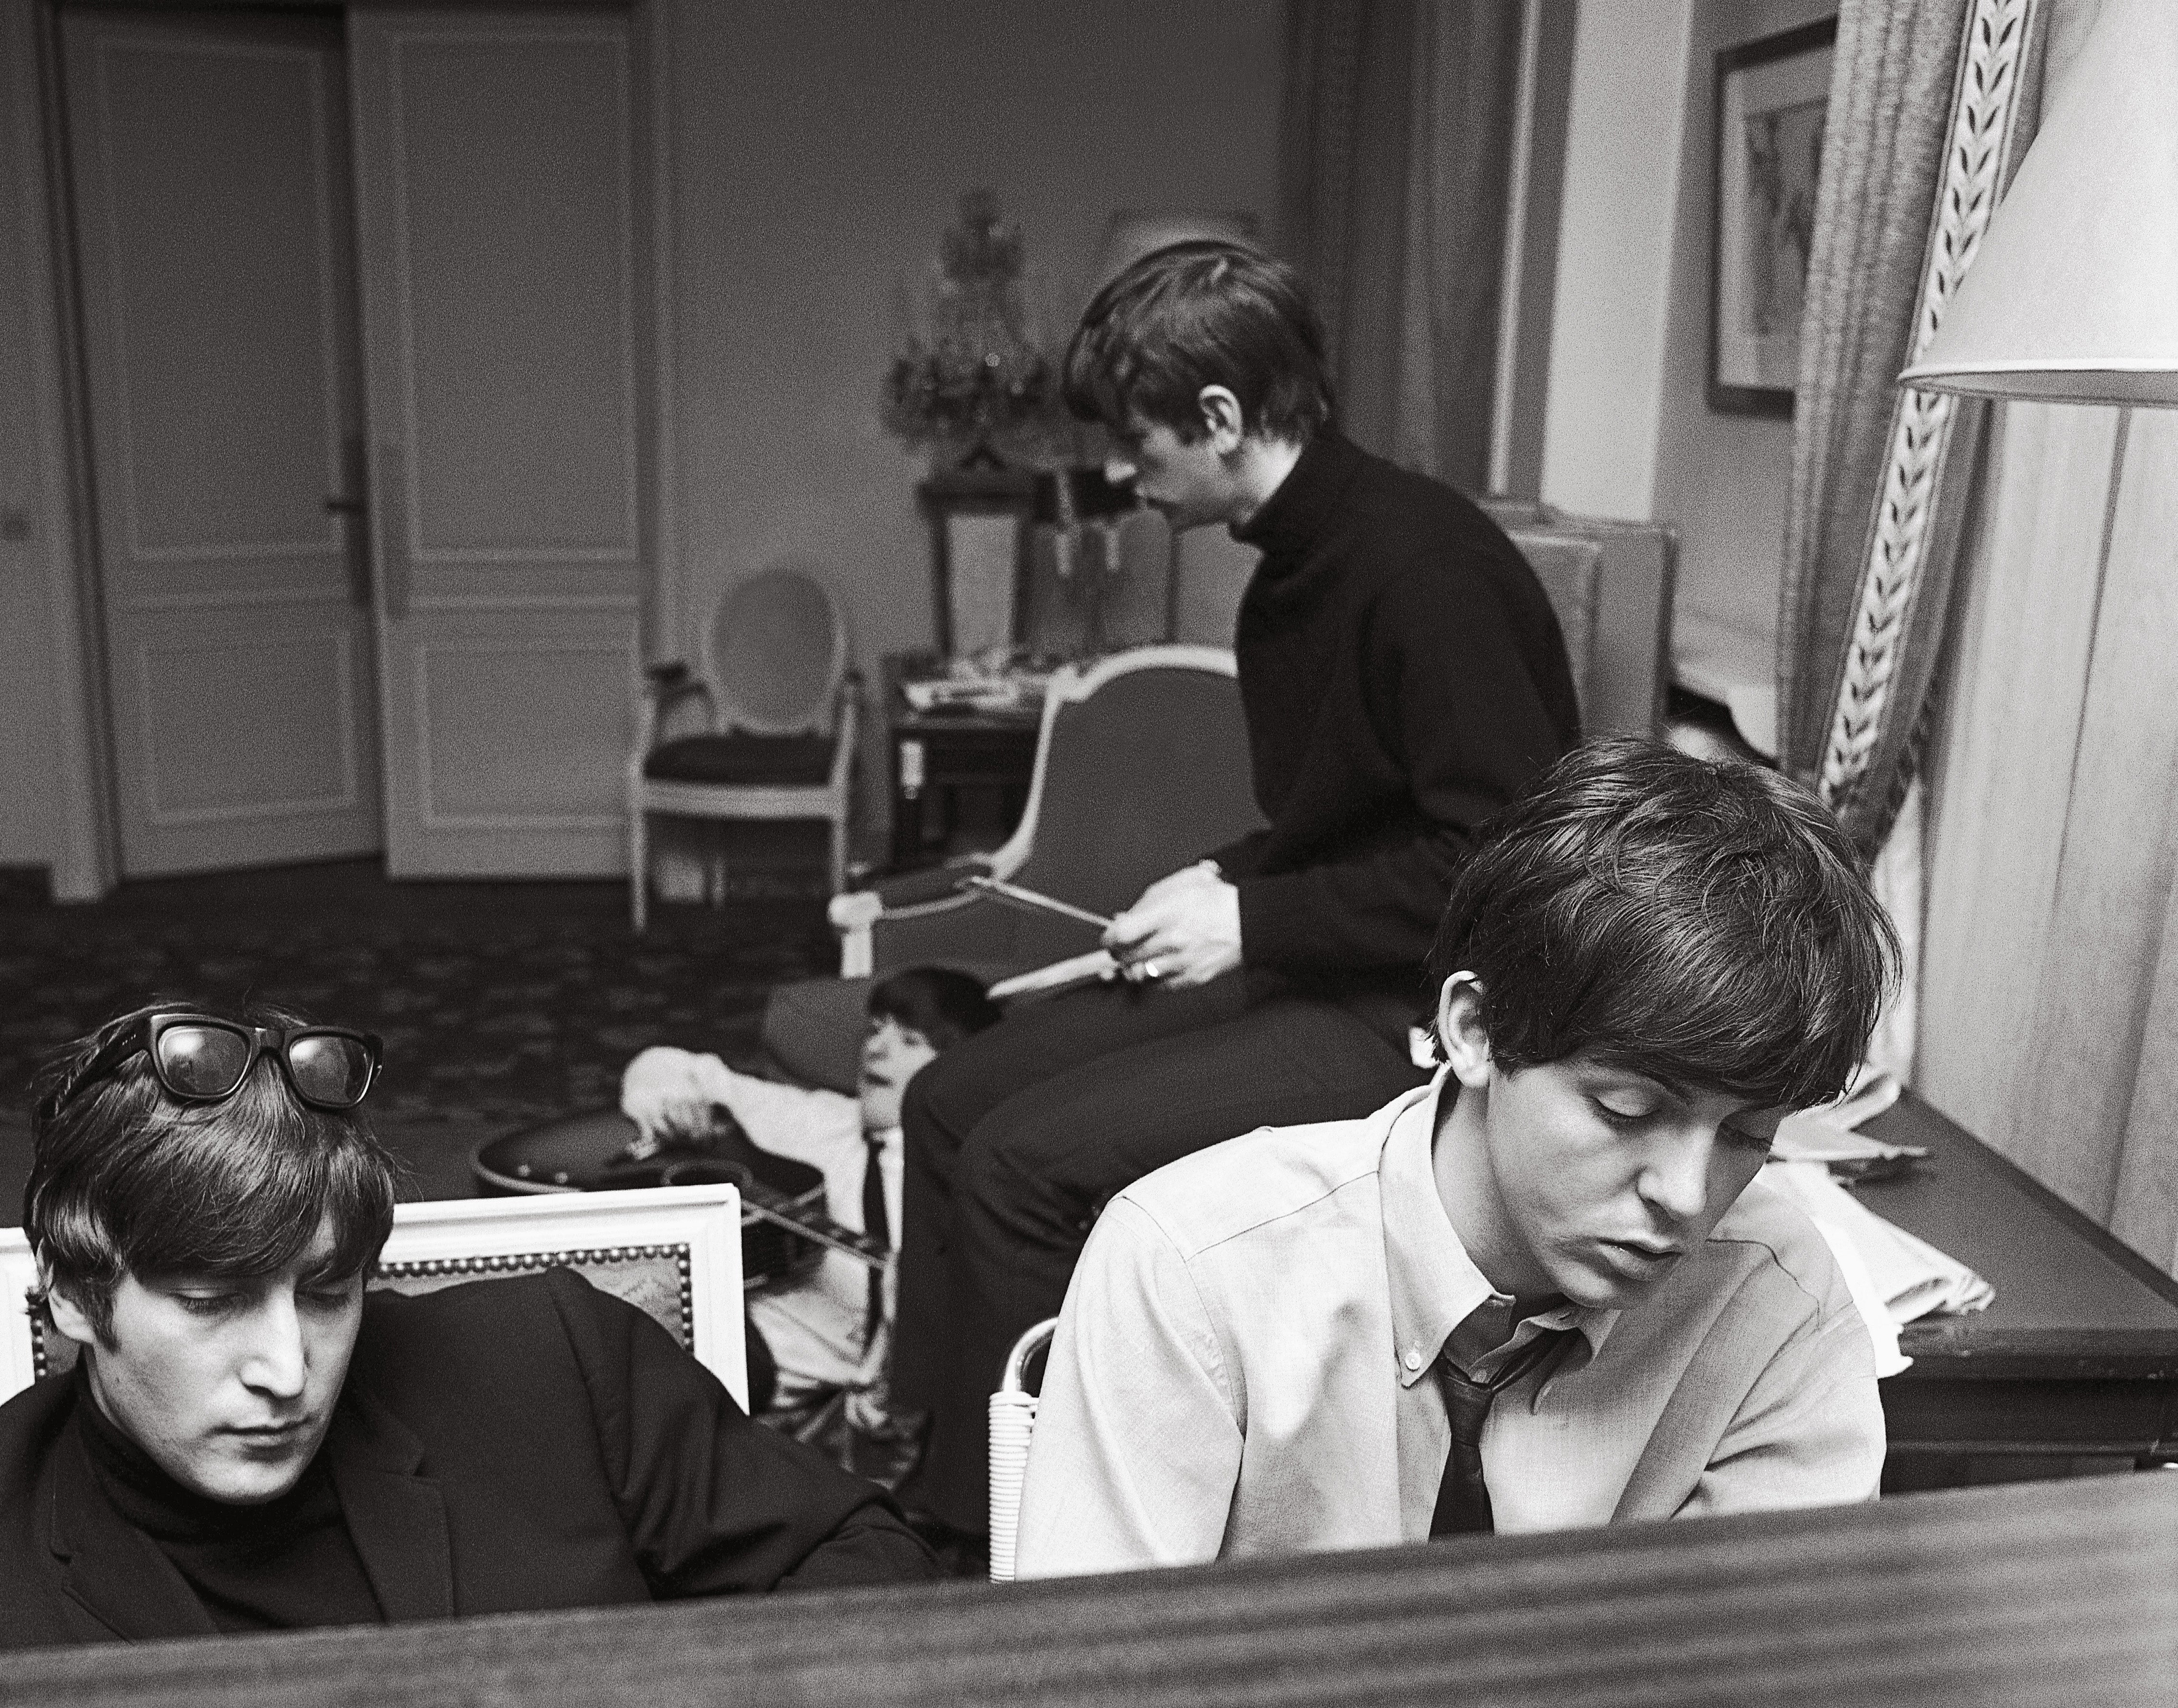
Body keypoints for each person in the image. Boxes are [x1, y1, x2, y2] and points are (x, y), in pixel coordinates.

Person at [893, 240, 1581, 1539]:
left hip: (1420, 1016)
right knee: (947, 1096)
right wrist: (1220, 874)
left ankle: (1017, 1549)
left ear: (1218, 419)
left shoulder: (1420, 571)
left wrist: (1250, 914)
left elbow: (1501, 868)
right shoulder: (1299, 559)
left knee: (1018, 1166)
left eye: (1138, 440)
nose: (1122, 469)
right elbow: (1352, 816)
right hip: (1322, 959)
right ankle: (936, 1470)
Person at [1015, 740, 1898, 1576]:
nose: (1685, 1193)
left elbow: (1764, 1663)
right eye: (1628, 1108)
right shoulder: (1193, 1273)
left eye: (1748, 1134)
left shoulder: (1779, 1300)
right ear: (1474, 1030)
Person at [0, 1000, 933, 1659]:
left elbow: (870, 1558)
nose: (288, 1372)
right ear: (77, 1298)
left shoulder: (549, 1359)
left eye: (325, 1293)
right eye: (214, 1302)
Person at [617, 968, 1001, 1430]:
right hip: (720, 1320)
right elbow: (662, 1064)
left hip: (763, 1377)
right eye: (876, 1029)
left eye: (911, 1040)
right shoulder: (821, 1120)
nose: (875, 1048)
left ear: (957, 1069)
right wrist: (672, 1105)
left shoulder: (979, 1175)